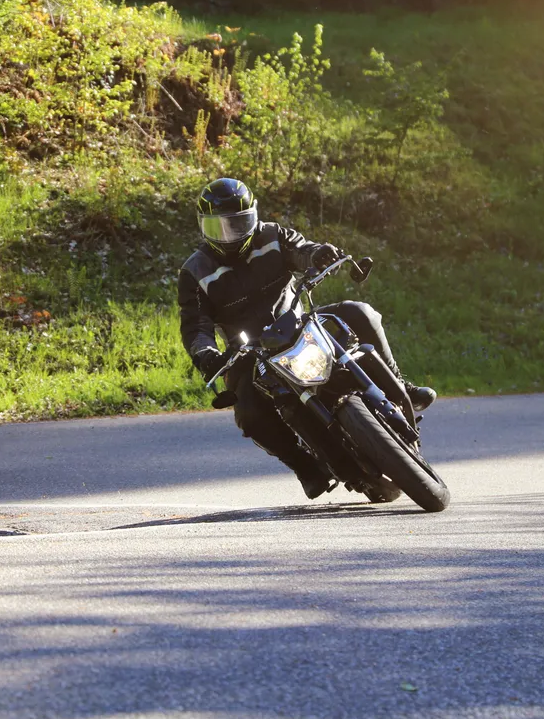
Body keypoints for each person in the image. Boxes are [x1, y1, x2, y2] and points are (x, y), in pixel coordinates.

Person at [177, 177, 436, 499]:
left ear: (254, 217)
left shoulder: (272, 235)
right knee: (249, 414)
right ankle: (306, 467)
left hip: (298, 323)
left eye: (239, 224)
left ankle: (401, 387)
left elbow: (302, 250)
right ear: (204, 227)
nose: (230, 235)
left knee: (360, 312)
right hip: (249, 350)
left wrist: (319, 255)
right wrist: (205, 353)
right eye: (220, 228)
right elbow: (195, 325)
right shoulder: (195, 271)